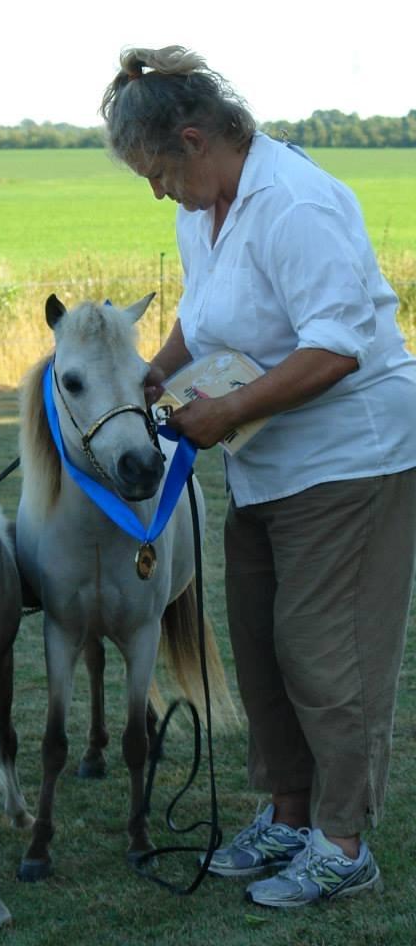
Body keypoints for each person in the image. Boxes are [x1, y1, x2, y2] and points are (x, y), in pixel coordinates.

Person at [100, 45, 416, 908]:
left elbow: (339, 347)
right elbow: (203, 323)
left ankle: (342, 843)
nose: (158, 191)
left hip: (351, 460)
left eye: (159, 170)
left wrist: (227, 414)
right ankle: (286, 818)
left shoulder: (299, 204)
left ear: (196, 139)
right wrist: (152, 375)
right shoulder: (200, 214)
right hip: (262, 466)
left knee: (329, 655)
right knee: (264, 651)